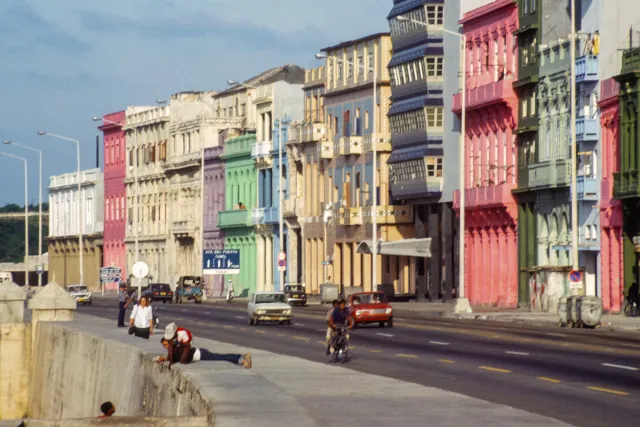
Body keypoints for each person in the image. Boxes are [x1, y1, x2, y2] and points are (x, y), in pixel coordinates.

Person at [156, 337, 252, 369]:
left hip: (201, 354)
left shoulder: (176, 346)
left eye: (165, 344)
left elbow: (175, 357)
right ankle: (242, 358)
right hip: (200, 353)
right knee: (220, 357)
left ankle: (243, 360)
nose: (165, 347)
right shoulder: (174, 347)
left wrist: (164, 358)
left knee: (221, 358)